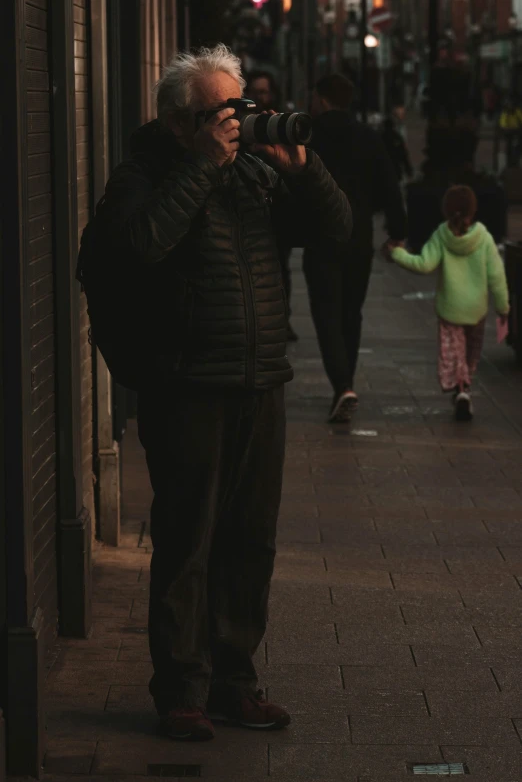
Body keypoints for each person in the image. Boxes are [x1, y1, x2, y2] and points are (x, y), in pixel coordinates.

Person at [101, 44, 351, 741]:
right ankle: (182, 689)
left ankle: (235, 682)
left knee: (251, 541)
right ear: (185, 122)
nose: (239, 124)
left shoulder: (255, 175)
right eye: (223, 113)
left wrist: (305, 174)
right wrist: (201, 168)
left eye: (241, 108)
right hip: (187, 384)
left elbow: (339, 233)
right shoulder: (146, 171)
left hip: (260, 378)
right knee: (188, 542)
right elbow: (140, 245)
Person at [304, 73, 407, 422]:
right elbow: (390, 184)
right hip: (359, 236)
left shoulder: (310, 134)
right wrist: (397, 231)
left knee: (326, 311)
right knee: (351, 311)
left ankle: (342, 383)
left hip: (320, 237)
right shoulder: (368, 137)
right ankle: (345, 382)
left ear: (322, 99)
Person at [387, 185, 509, 421]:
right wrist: (503, 307)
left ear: (446, 211)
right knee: (471, 353)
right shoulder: (483, 237)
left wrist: (397, 253)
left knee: (454, 352)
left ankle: (460, 389)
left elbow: (424, 264)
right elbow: (497, 276)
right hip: (477, 309)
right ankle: (465, 386)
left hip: (450, 308)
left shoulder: (441, 235)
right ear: (472, 212)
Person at [245, 70, 298, 340]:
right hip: (248, 208)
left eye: (264, 92)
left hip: (277, 207)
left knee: (280, 268)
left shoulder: (278, 123)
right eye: (255, 91)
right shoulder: (239, 122)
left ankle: (282, 320)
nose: (260, 97)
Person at [381, 115, 413, 183]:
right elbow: (403, 154)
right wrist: (408, 170)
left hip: (385, 168)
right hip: (395, 167)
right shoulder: (396, 136)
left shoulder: (381, 137)